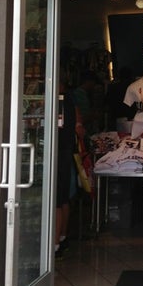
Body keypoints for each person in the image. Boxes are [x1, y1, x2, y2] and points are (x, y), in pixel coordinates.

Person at [55, 79, 80, 260]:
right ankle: (61, 239)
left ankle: (55, 244)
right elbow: (78, 126)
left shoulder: (60, 102)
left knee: (57, 199)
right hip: (65, 152)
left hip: (58, 153)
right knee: (62, 198)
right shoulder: (70, 102)